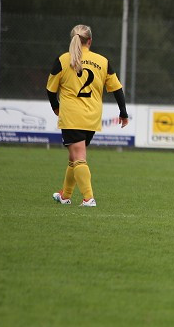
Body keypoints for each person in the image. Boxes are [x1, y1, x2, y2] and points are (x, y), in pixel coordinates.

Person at [47, 24, 129, 208]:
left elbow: (50, 90)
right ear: (89, 41)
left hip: (72, 116)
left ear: (73, 39)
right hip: (92, 117)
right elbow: (117, 89)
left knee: (78, 157)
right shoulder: (102, 61)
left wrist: (56, 107)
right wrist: (123, 113)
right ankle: (65, 196)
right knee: (74, 158)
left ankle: (88, 198)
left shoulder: (63, 60)